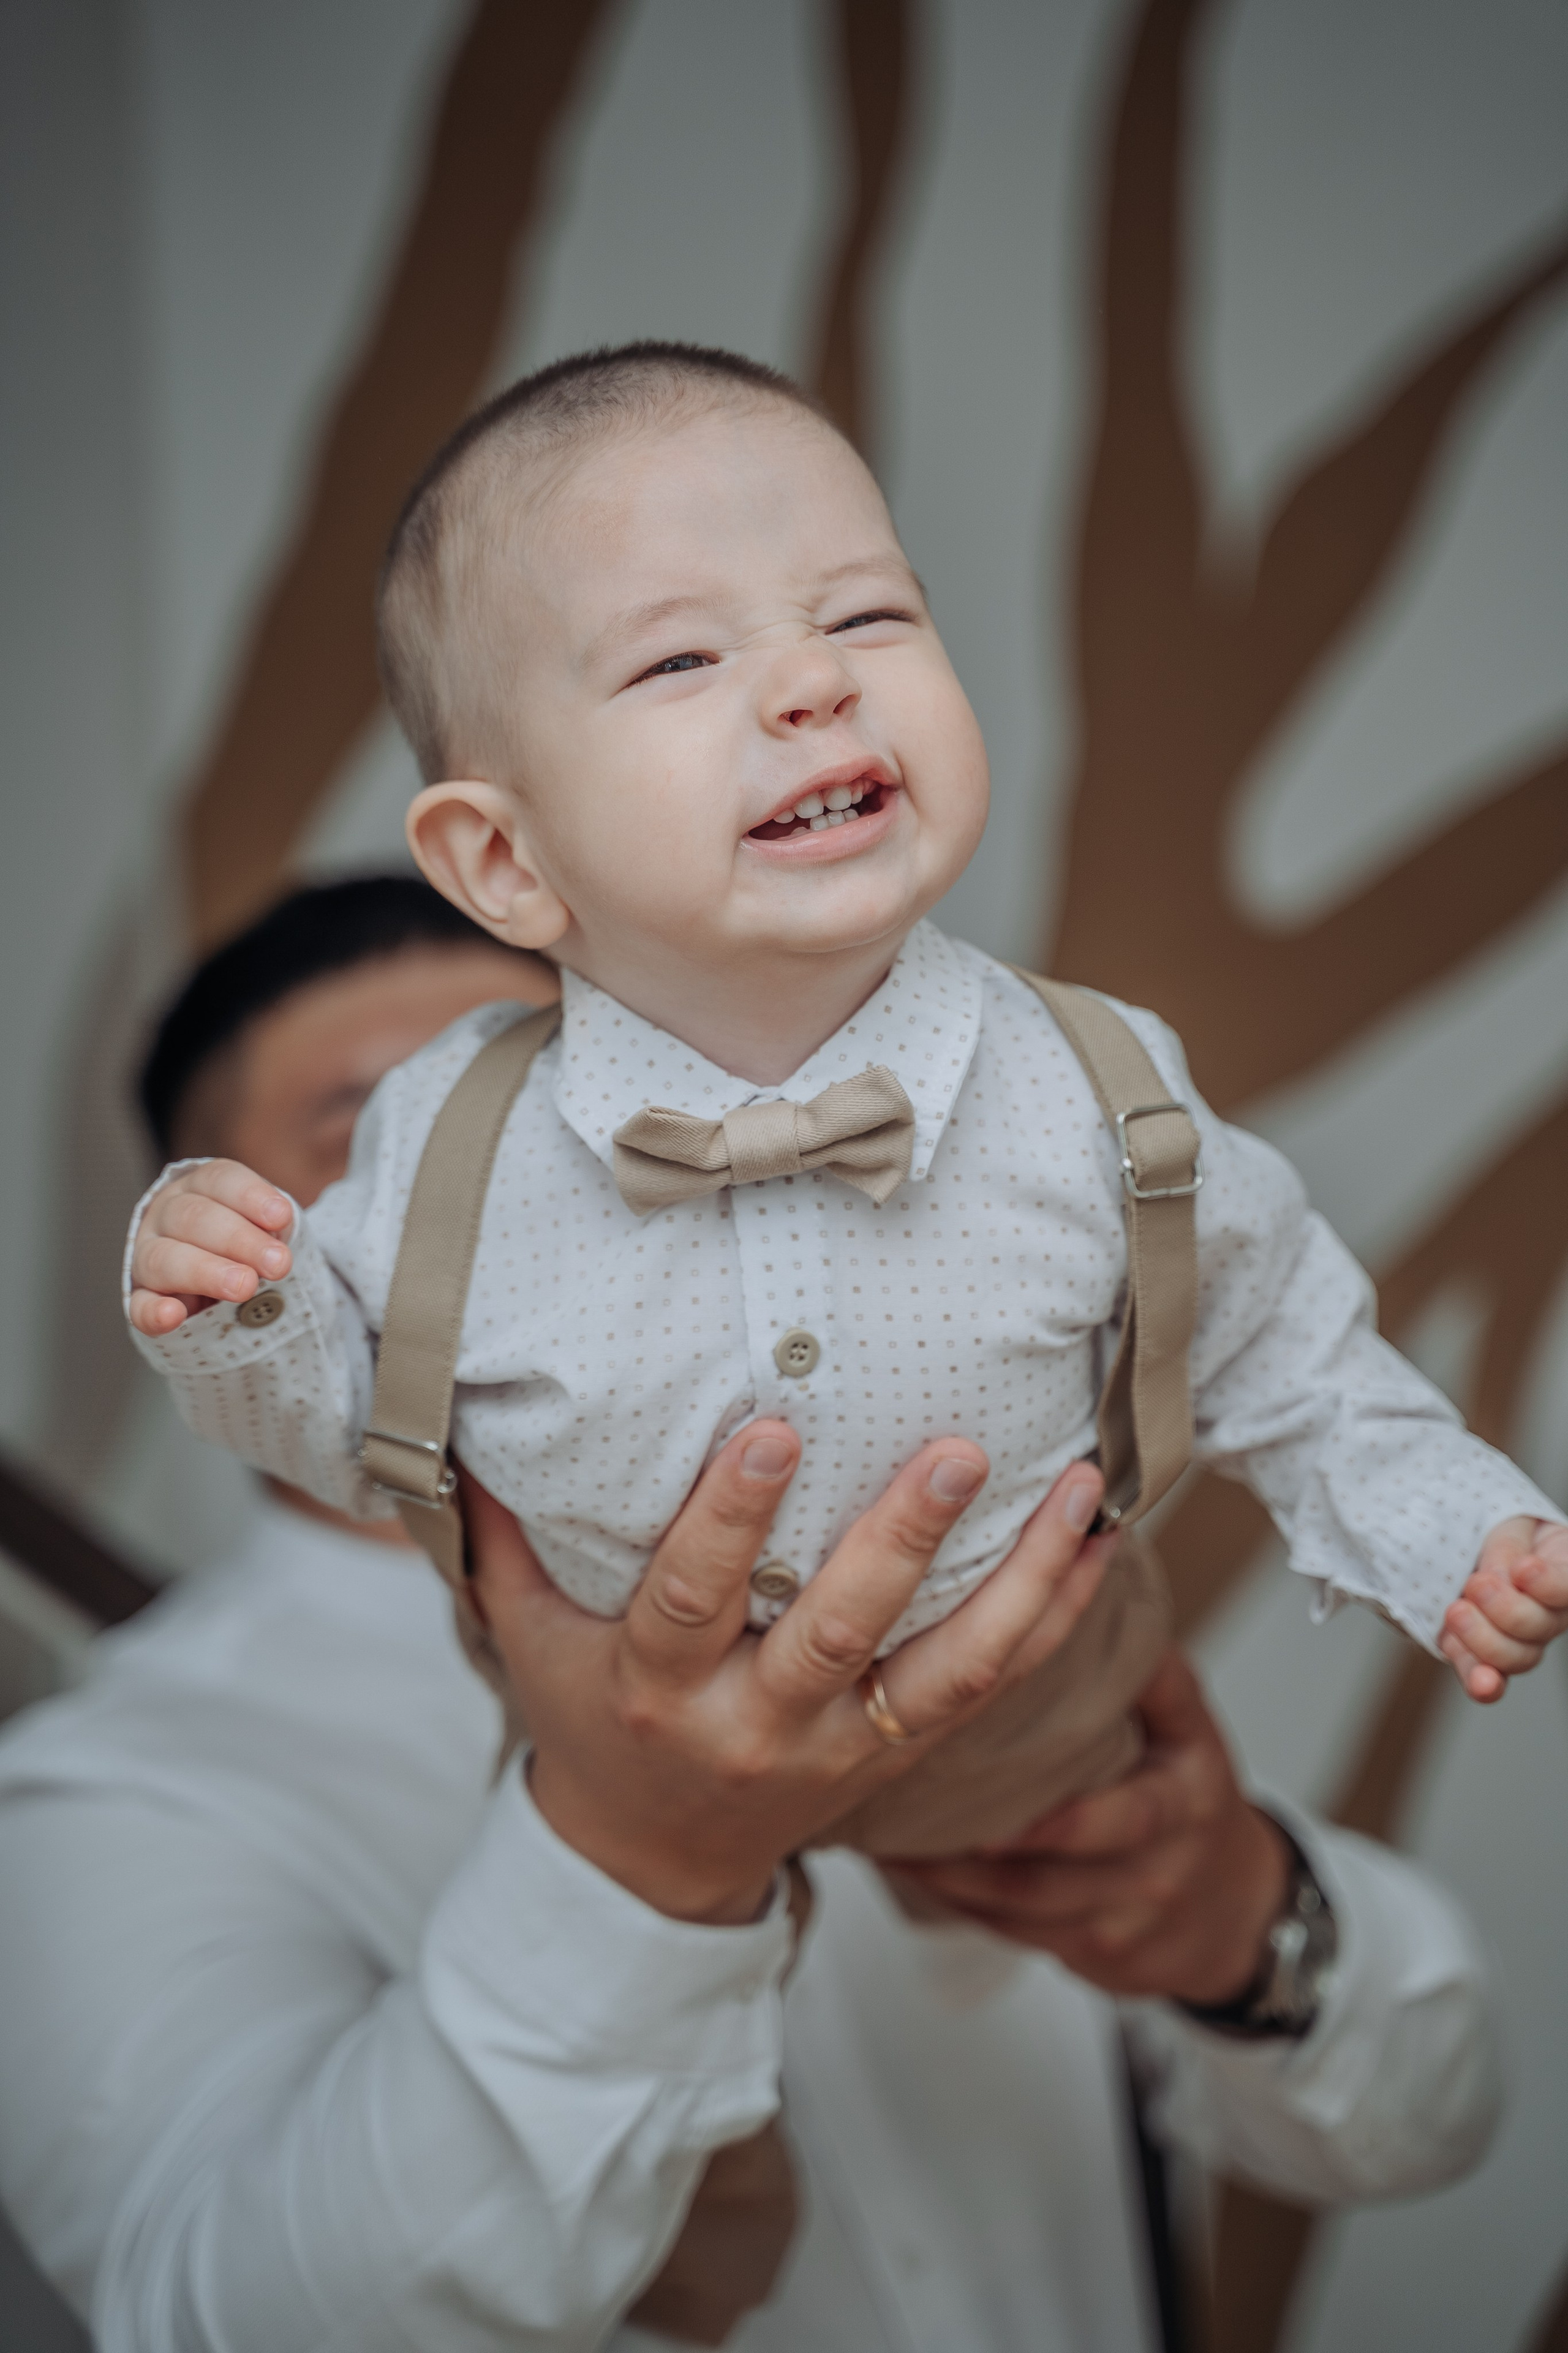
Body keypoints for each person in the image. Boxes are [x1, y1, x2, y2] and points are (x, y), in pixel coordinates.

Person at [0, 885, 1504, 2351]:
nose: (534, 1184)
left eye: (576, 1117)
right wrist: (634, 1864)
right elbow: (211, 2317)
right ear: (218, 1257)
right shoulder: (118, 1791)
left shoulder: (988, 1561)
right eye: (378, 1129)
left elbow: (1433, 2116)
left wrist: (1244, 1923)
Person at [124, 343, 1568, 1747]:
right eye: (679, 655)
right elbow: (338, 1418)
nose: (814, 680)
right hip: (618, 1740)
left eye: (868, 617)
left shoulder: (1096, 1086)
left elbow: (1282, 1346)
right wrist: (241, 1304)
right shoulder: (449, 1140)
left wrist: (1452, 1533)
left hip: (1041, 1729)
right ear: (504, 858)